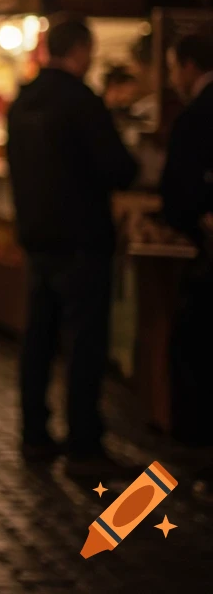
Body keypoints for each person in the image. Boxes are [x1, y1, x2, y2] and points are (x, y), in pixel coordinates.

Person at [6, 14, 138, 471]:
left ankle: (35, 434)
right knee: (84, 342)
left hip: (36, 237)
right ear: (80, 51)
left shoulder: (22, 102)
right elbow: (118, 167)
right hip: (82, 239)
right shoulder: (81, 100)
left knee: (38, 339)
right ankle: (84, 443)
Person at [160, 32, 213, 449]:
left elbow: (178, 193)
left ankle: (194, 453)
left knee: (193, 352)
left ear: (190, 66)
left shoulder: (195, 116)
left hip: (205, 253)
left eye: (175, 66)